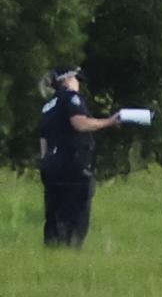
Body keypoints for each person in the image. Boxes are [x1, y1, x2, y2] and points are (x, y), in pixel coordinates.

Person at [38, 65, 120, 247]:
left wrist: (45, 163)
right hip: (72, 163)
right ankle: (70, 250)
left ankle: (52, 250)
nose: (78, 85)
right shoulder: (71, 97)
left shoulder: (47, 106)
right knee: (76, 213)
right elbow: (79, 123)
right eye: (76, 80)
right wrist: (110, 121)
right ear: (66, 80)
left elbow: (43, 140)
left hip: (52, 165)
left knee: (54, 214)